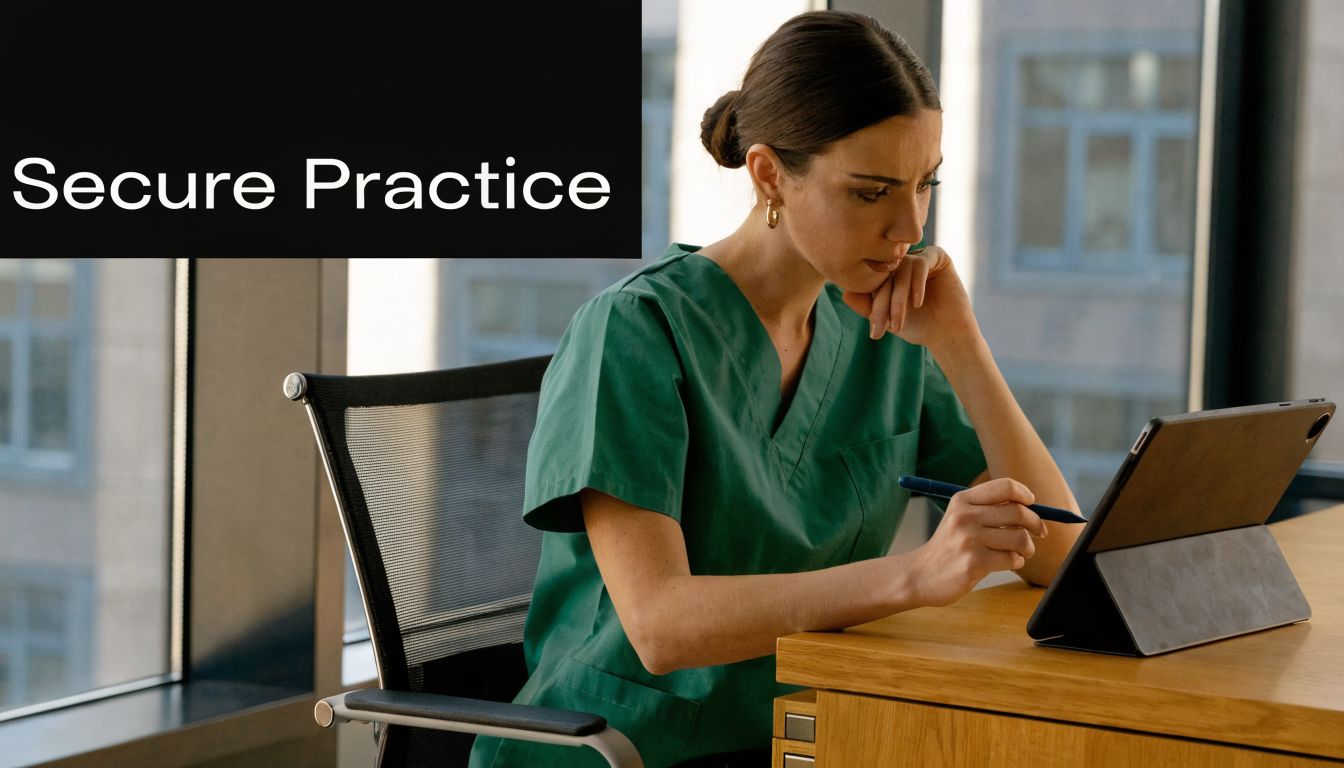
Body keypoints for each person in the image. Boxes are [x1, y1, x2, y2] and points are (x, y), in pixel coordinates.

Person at [468, 9, 1083, 768]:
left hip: (804, 738)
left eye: (926, 185)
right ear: (769, 176)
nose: (909, 226)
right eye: (871, 192)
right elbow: (660, 627)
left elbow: (1057, 555)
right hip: (622, 751)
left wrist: (962, 344)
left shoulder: (883, 331)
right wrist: (914, 575)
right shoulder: (634, 332)